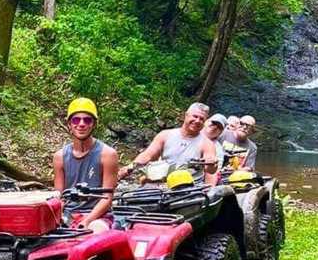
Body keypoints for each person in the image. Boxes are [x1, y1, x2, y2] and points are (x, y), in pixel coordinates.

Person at [53, 98, 119, 233]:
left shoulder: (107, 154)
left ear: (94, 124)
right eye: (76, 120)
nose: (81, 124)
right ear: (69, 124)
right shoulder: (59, 156)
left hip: (98, 216)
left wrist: (87, 221)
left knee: (95, 232)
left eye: (87, 120)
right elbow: (58, 197)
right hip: (68, 214)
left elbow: (107, 198)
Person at [119, 102, 217, 185]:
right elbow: (148, 155)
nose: (197, 121)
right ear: (186, 115)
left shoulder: (207, 144)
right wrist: (130, 167)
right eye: (195, 116)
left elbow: (210, 170)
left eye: (201, 119)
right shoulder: (165, 135)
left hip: (189, 187)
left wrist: (211, 164)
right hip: (162, 183)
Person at [202, 113, 228, 184]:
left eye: (219, 127)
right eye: (213, 123)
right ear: (206, 121)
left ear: (221, 132)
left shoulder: (218, 150)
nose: (215, 127)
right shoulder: (191, 132)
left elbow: (214, 174)